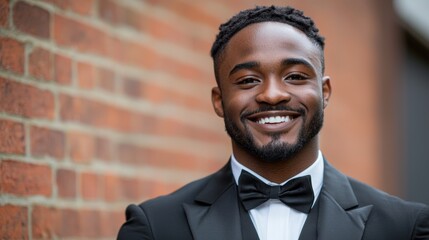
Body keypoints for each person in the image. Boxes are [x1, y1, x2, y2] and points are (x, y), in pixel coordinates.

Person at [117, 5, 429, 240]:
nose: (272, 94)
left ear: (324, 92)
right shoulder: (155, 227)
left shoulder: (405, 227)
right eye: (248, 80)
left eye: (294, 76)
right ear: (218, 100)